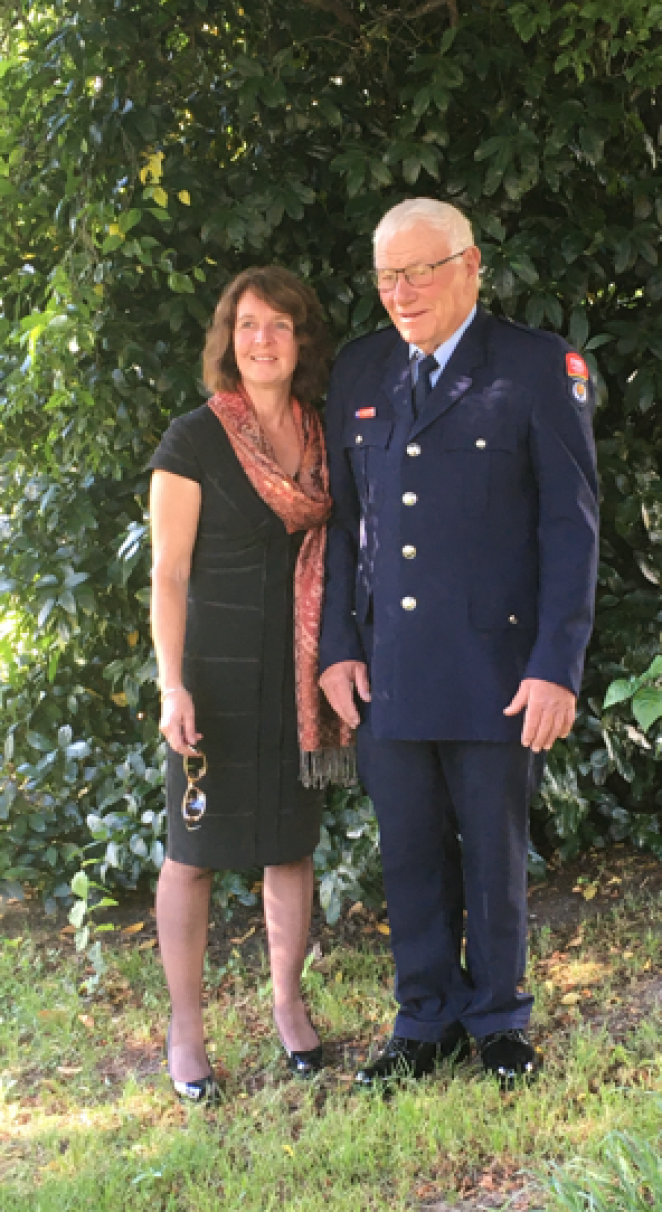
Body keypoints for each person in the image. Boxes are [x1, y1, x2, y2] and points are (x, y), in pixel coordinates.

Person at [319, 198, 599, 1089]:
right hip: (388, 667)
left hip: (497, 669)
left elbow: (571, 527)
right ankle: (425, 1019)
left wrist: (557, 665)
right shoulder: (361, 370)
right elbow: (347, 526)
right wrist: (336, 648)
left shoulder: (534, 366)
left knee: (492, 848)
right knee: (407, 851)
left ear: (470, 266)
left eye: (420, 271)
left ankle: (501, 1022)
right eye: (387, 277)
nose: (401, 293)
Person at [149, 266, 351, 1102]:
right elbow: (168, 572)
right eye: (246, 325)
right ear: (227, 342)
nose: (261, 339)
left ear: (301, 340)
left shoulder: (325, 432)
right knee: (193, 854)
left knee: (289, 844)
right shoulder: (193, 438)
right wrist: (172, 686)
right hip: (214, 674)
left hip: (298, 673)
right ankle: (186, 1032)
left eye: (277, 324)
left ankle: (287, 1005)